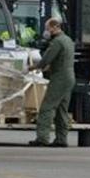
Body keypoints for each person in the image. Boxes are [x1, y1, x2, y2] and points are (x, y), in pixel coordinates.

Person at [28, 18, 75, 147]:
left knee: (47, 107)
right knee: (62, 109)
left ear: (54, 27)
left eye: (47, 28)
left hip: (59, 77)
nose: (46, 31)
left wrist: (32, 67)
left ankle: (42, 138)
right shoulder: (68, 40)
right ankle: (61, 139)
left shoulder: (57, 42)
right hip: (69, 77)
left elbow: (46, 59)